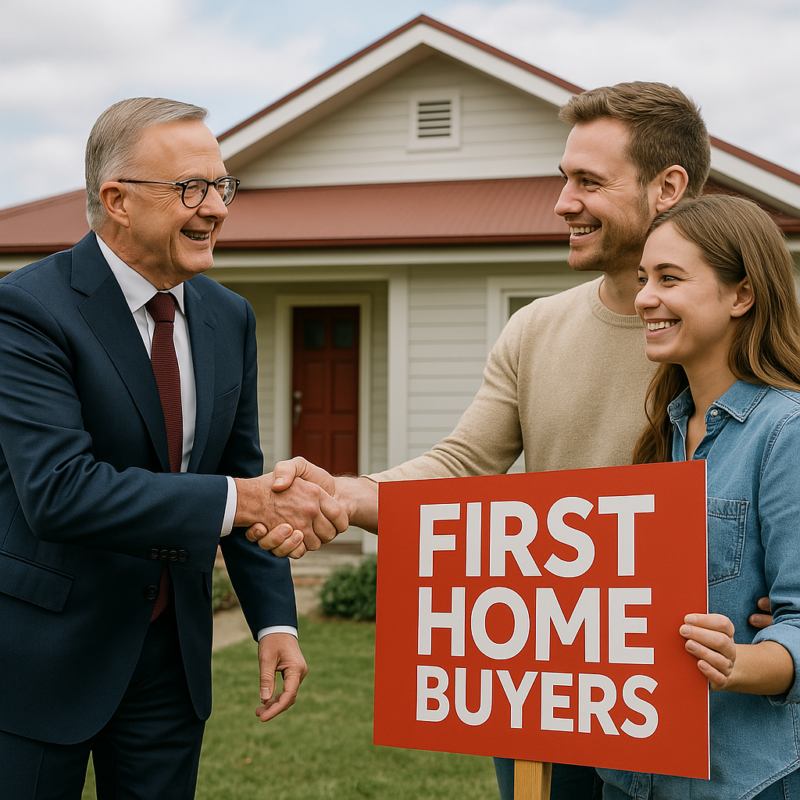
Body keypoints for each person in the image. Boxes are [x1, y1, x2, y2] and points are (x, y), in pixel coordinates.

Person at [251, 84, 771, 798]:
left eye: (588, 181)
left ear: (668, 187)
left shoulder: (747, 346)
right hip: (546, 684)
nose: (563, 202)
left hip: (687, 700)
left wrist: (771, 611)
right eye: (564, 179)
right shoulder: (534, 329)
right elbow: (463, 467)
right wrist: (341, 493)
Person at [0, 97, 346, 799]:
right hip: (41, 656)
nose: (216, 207)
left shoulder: (229, 315)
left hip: (171, 659)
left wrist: (274, 619)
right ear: (117, 200)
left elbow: (240, 474)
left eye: (223, 186)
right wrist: (242, 499)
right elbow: (60, 491)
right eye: (192, 188)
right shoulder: (28, 310)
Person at [600, 193, 800, 798]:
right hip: (634, 772)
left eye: (670, 278)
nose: (645, 299)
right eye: (643, 279)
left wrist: (738, 662)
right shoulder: (662, 430)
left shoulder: (785, 433)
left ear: (742, 295)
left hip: (737, 778)